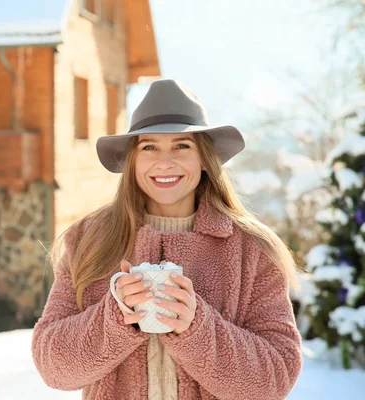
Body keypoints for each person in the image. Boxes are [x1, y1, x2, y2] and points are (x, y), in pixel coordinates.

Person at [31, 79, 303, 400]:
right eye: (149, 147)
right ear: (132, 160)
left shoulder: (252, 248)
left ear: (204, 158)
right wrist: (116, 318)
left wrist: (196, 327)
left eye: (181, 145)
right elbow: (52, 367)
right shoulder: (88, 239)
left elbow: (276, 377)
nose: (164, 162)